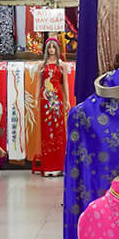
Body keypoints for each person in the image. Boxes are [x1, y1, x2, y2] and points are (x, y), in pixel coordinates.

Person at [37, 36, 70, 176]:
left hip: (57, 98)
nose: (51, 50)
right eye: (49, 47)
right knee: (46, 129)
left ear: (57, 49)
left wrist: (67, 100)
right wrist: (36, 98)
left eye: (53, 47)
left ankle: (58, 165)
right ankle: (48, 166)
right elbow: (39, 83)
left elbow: (65, 83)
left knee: (58, 129)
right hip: (45, 98)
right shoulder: (42, 65)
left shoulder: (62, 65)